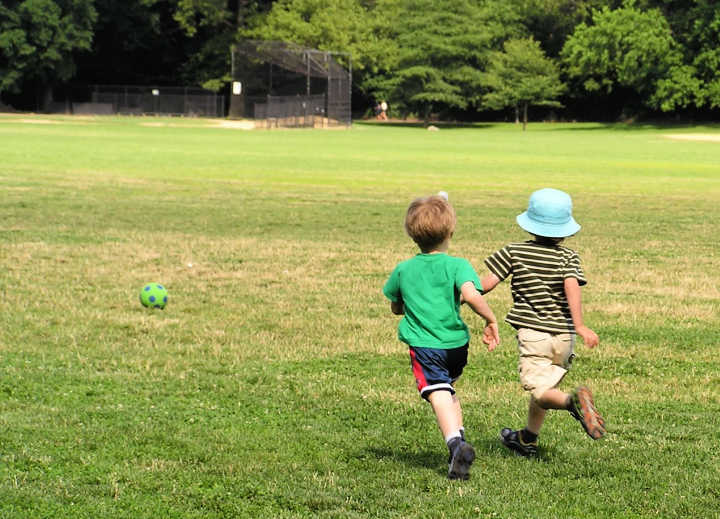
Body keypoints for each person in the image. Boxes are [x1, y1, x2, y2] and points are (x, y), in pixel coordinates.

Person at [480, 188, 605, 458]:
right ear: (565, 229)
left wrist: (462, 291)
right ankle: (528, 438)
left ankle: (572, 402)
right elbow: (571, 286)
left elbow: (487, 284)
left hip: (534, 335)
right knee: (543, 389)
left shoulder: (514, 251)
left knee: (542, 390)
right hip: (564, 338)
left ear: (530, 223)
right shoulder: (568, 257)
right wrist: (580, 325)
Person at [383, 194, 500, 480]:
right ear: (450, 233)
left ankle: (455, 443)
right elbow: (471, 295)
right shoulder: (458, 265)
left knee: (437, 391)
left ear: (412, 235)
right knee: (448, 390)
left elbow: (396, 306)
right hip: (457, 346)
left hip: (426, 346)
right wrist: (490, 318)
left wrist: (407, 305)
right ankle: (457, 448)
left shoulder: (404, 269)